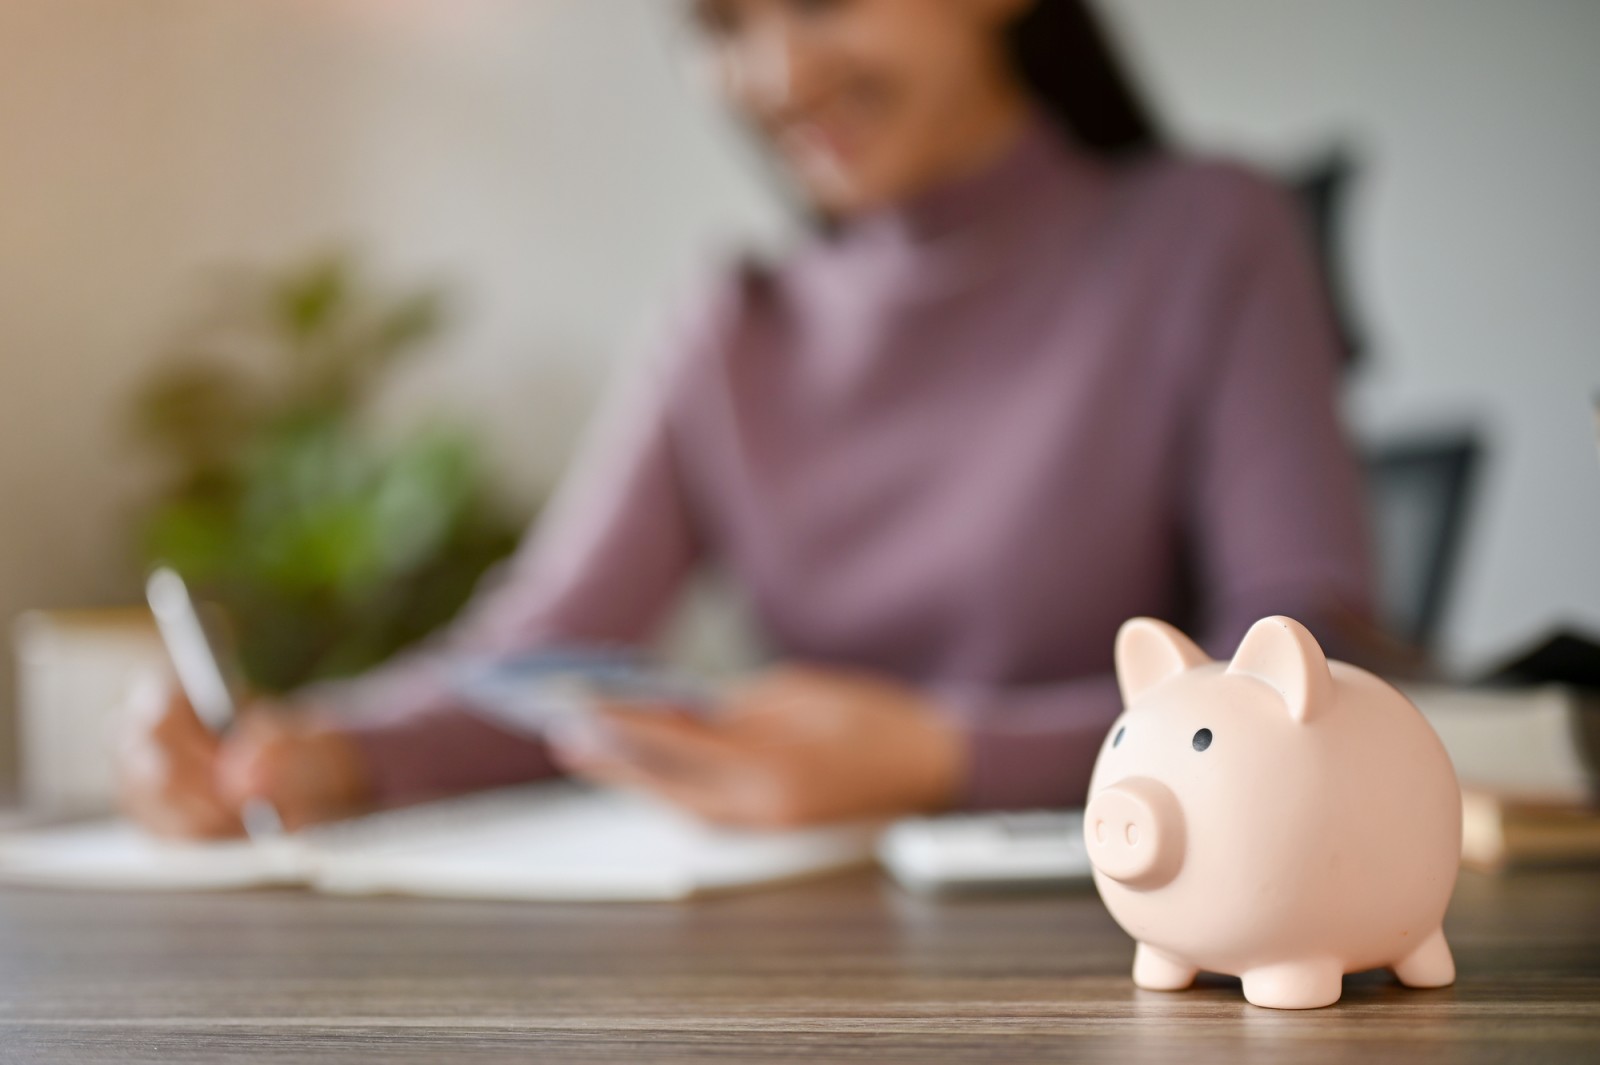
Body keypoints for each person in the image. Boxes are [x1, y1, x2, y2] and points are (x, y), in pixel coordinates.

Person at [119, 0, 1373, 839]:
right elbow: (543, 649)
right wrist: (322, 754)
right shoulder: (732, 321)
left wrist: (940, 758)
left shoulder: (1209, 235)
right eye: (722, 18)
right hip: (801, 960)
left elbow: (1320, 660)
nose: (774, 75)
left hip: (1157, 929)